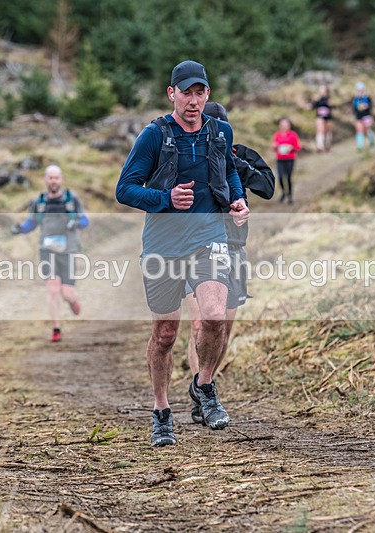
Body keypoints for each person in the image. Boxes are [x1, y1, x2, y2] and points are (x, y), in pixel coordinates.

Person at [115, 60, 250, 447]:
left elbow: (229, 172)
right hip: (163, 243)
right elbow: (125, 190)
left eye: (200, 93)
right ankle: (161, 411)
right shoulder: (153, 136)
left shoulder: (220, 131)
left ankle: (203, 385)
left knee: (213, 318)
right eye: (186, 93)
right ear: (171, 94)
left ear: (208, 95)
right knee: (165, 333)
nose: (193, 101)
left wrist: (237, 200)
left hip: (209, 237)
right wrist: (166, 199)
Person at [184, 102, 275, 425]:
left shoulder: (241, 154)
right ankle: (203, 397)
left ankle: (202, 383)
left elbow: (267, 187)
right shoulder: (188, 156)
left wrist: (233, 164)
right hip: (198, 248)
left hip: (234, 248)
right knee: (202, 323)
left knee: (223, 329)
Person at [11, 164, 89, 342]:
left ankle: (72, 300)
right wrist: (20, 229)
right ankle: (56, 329)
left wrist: (75, 223)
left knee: (66, 293)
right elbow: (32, 223)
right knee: (53, 289)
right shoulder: (39, 202)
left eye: (56, 177)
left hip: (68, 250)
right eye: (50, 177)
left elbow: (85, 220)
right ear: (46, 180)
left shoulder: (71, 199)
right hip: (47, 251)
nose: (53, 181)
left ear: (61, 179)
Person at [271, 118, 301, 204]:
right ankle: (284, 192)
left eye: (285, 125)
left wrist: (291, 147)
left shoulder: (293, 135)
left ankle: (290, 195)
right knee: (280, 177)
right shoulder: (277, 135)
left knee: (288, 177)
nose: (284, 126)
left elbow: (298, 147)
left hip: (290, 159)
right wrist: (274, 146)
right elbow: (273, 146)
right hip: (280, 159)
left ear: (289, 126)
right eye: (282, 125)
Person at [352, 81, 375, 151]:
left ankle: (371, 142)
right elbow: (354, 109)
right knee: (359, 131)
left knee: (367, 130)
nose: (360, 91)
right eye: (359, 90)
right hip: (358, 117)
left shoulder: (367, 98)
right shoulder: (355, 99)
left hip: (367, 116)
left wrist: (366, 106)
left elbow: (371, 106)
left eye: (361, 90)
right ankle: (360, 146)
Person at [310, 85, 333, 152]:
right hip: (320, 117)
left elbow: (331, 106)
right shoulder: (318, 100)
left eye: (324, 91)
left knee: (327, 132)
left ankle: (327, 146)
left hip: (327, 118)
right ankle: (320, 146)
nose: (322, 93)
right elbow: (312, 106)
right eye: (321, 91)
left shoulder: (328, 100)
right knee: (320, 131)